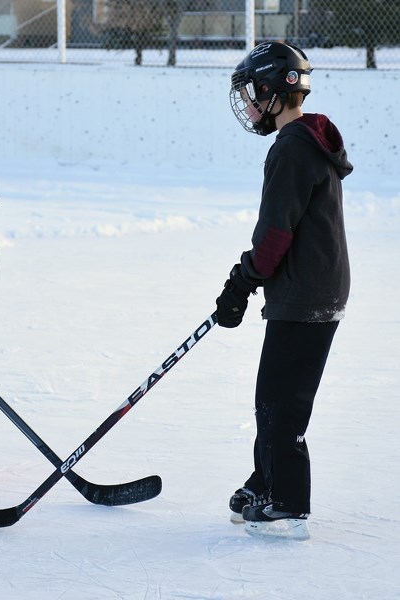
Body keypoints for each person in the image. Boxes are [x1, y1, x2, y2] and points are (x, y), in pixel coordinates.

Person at [215, 42, 352, 539]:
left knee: (281, 403)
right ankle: (265, 480)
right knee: (273, 396)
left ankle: (287, 504)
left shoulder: (292, 147)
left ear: (275, 91)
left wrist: (243, 279)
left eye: (254, 93)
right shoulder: (305, 141)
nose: (249, 105)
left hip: (306, 293)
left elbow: (276, 232)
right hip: (313, 288)